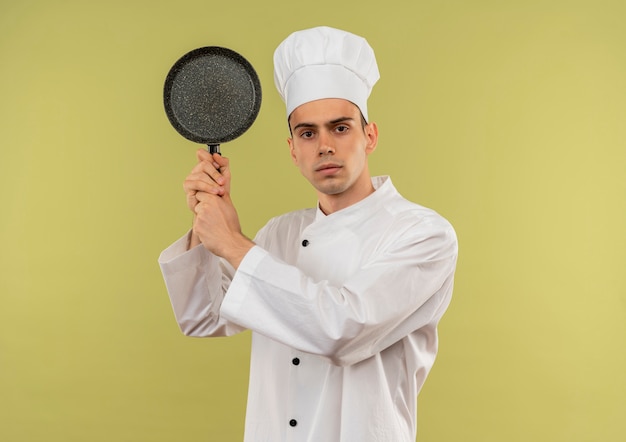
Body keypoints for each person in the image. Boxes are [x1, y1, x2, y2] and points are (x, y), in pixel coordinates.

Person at [159, 26, 458, 442]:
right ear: (292, 149)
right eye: (307, 133)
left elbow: (342, 330)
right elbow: (201, 317)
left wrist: (232, 243)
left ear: (369, 136)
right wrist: (205, 225)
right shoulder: (279, 234)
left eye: (340, 128)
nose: (324, 146)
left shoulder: (423, 234)